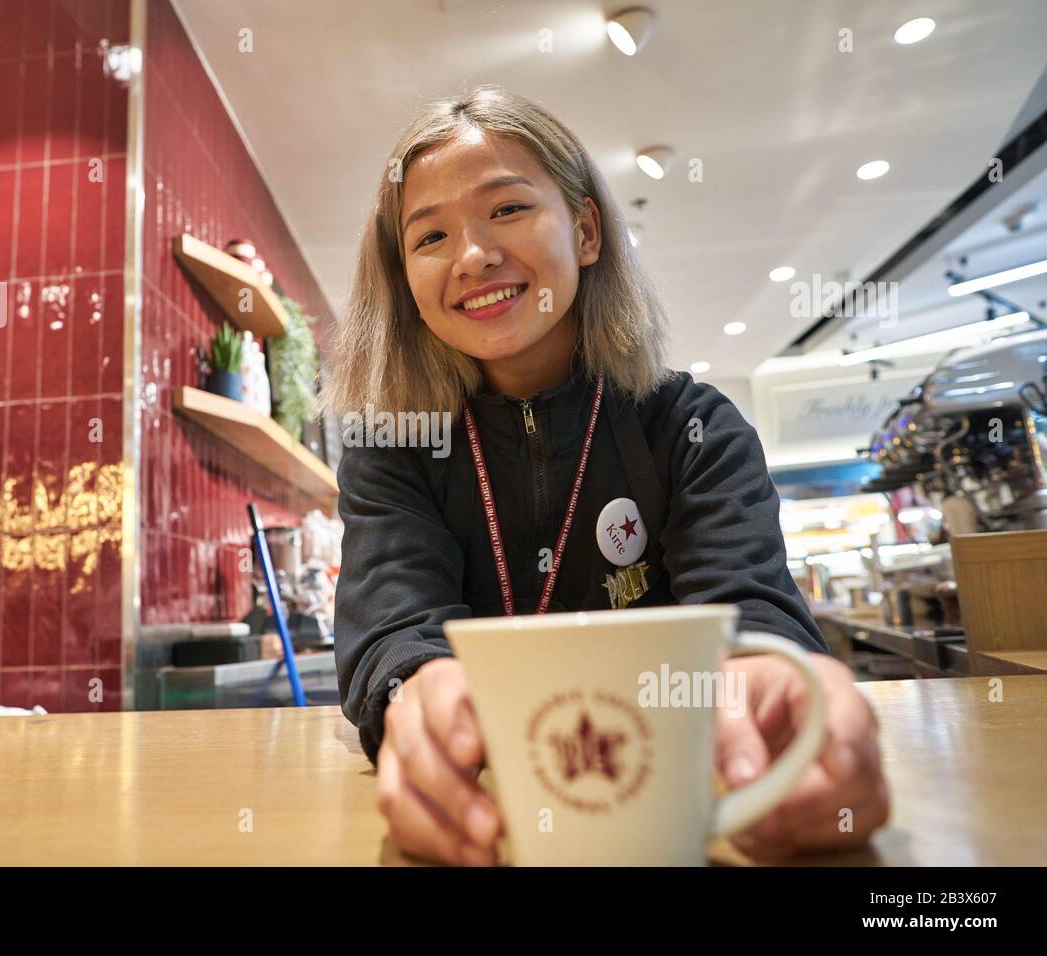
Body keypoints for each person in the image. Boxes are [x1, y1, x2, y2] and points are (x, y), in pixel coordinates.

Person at [324, 86, 889, 866]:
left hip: (669, 811)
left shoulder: (692, 429)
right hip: (496, 820)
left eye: (509, 209)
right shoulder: (392, 445)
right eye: (429, 238)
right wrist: (413, 692)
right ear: (407, 283)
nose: (474, 256)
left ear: (586, 231)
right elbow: (392, 626)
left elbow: (748, 612)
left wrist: (770, 687)